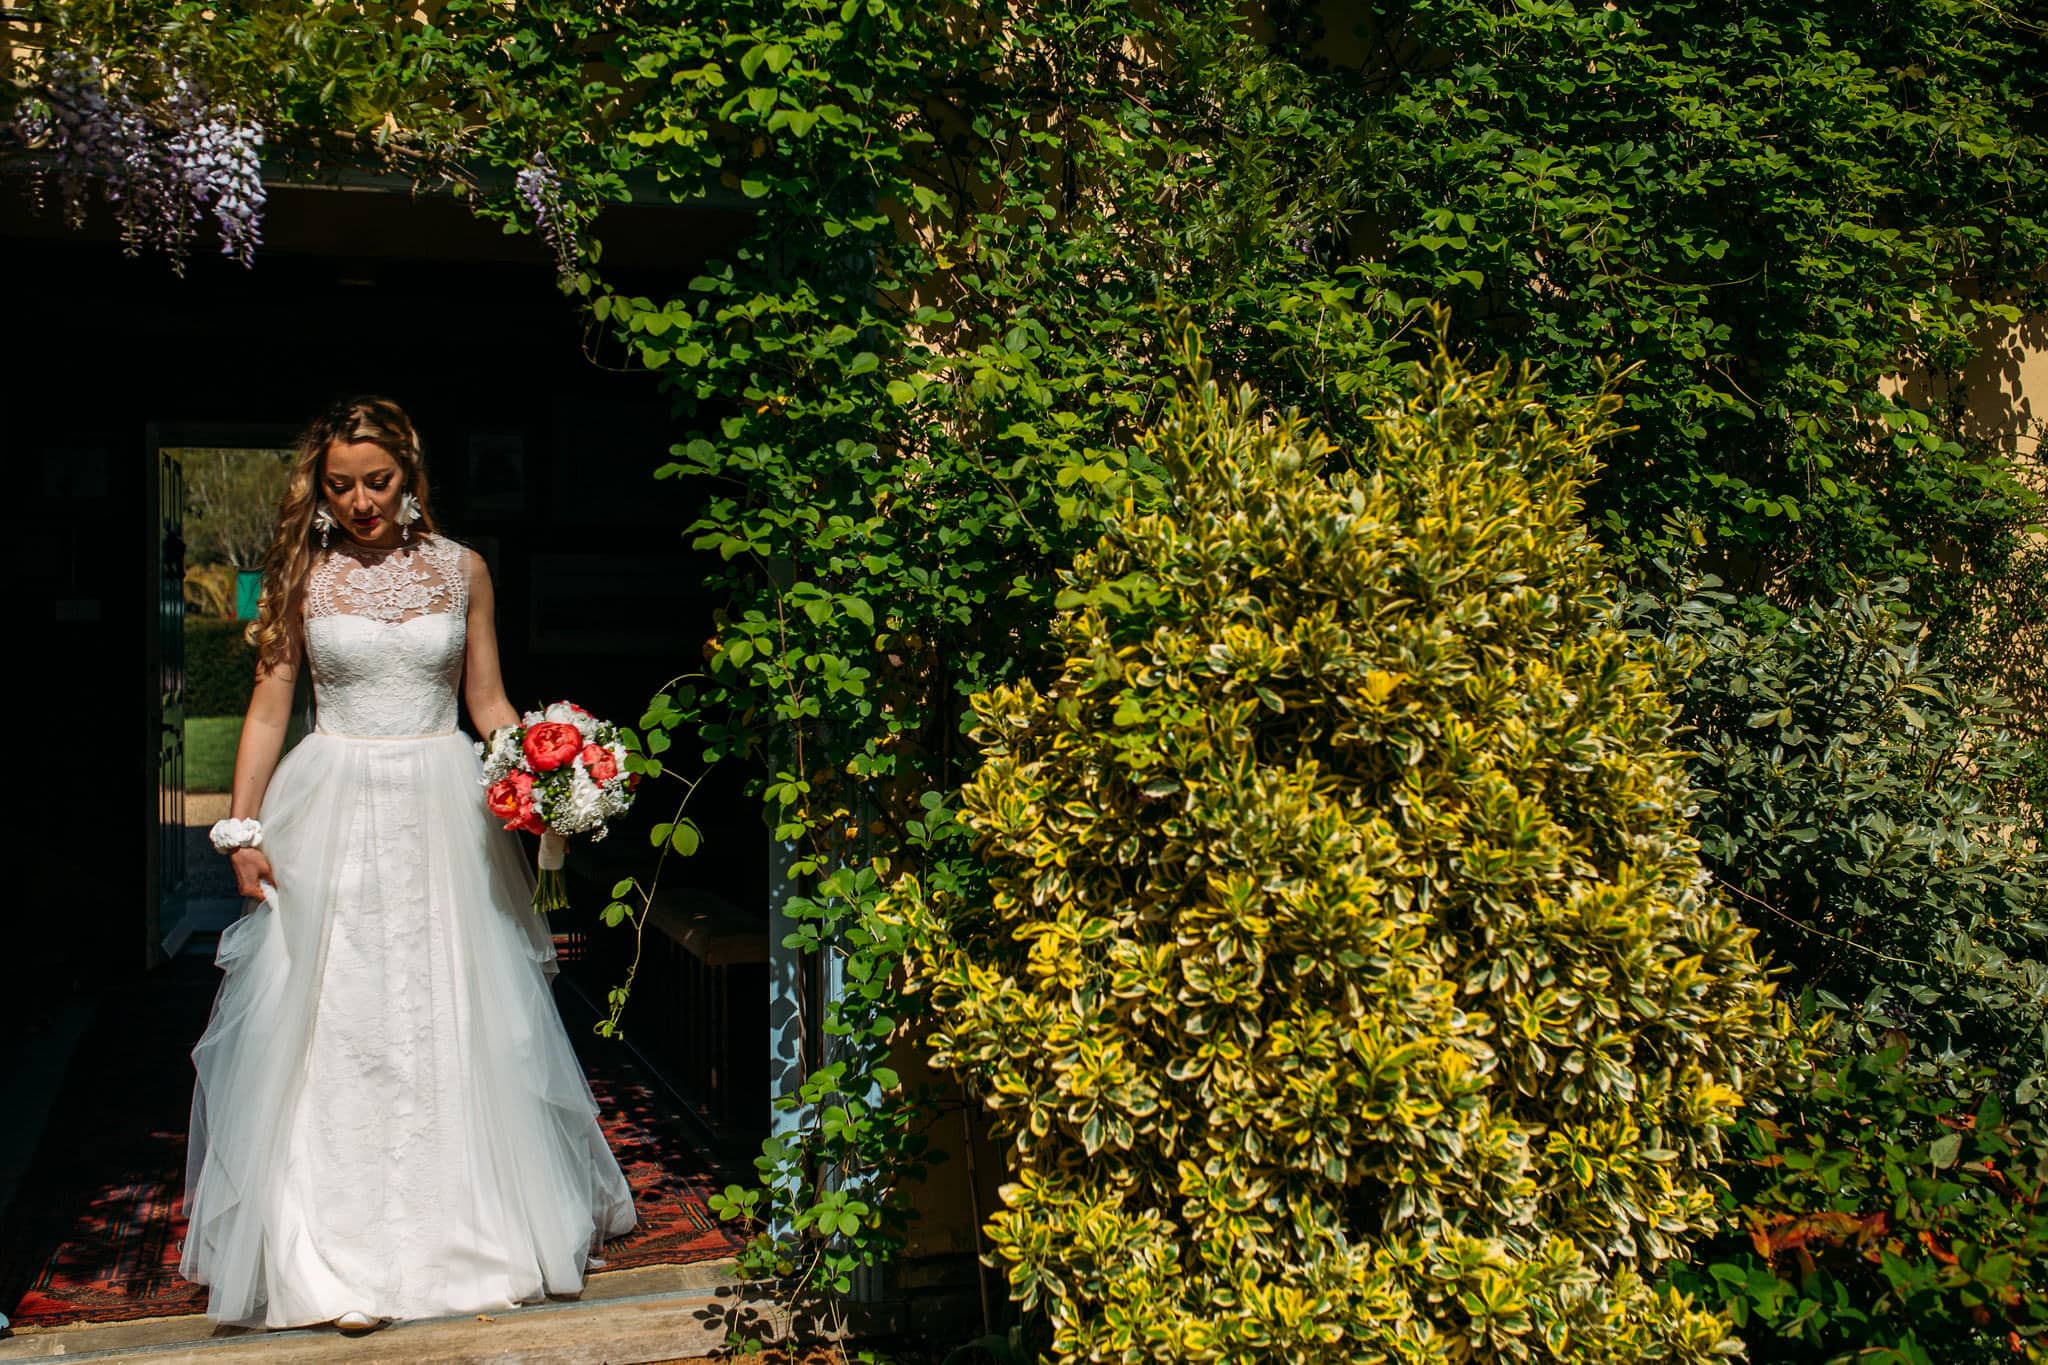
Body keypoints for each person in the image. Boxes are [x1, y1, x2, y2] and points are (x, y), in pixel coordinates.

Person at [180, 397, 635, 1332]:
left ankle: (464, 1235)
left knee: (453, 1014)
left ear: (411, 472)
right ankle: (333, 1255)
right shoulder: (303, 572)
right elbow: (270, 707)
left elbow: (488, 702)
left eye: (377, 482)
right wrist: (242, 826)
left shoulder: (463, 570)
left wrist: (547, 768)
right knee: (339, 1025)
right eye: (340, 485)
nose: (360, 503)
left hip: (440, 812)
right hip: (330, 808)